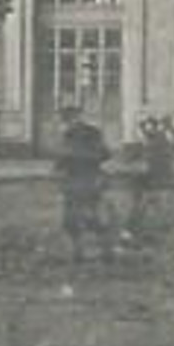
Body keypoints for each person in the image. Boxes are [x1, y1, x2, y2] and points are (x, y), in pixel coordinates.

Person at [56, 106, 114, 263]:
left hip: (76, 182)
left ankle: (80, 252)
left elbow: (62, 160)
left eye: (65, 119)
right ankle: (104, 250)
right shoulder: (94, 132)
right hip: (92, 180)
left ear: (67, 119)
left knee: (72, 218)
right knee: (92, 215)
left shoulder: (69, 135)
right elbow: (107, 154)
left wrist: (63, 165)